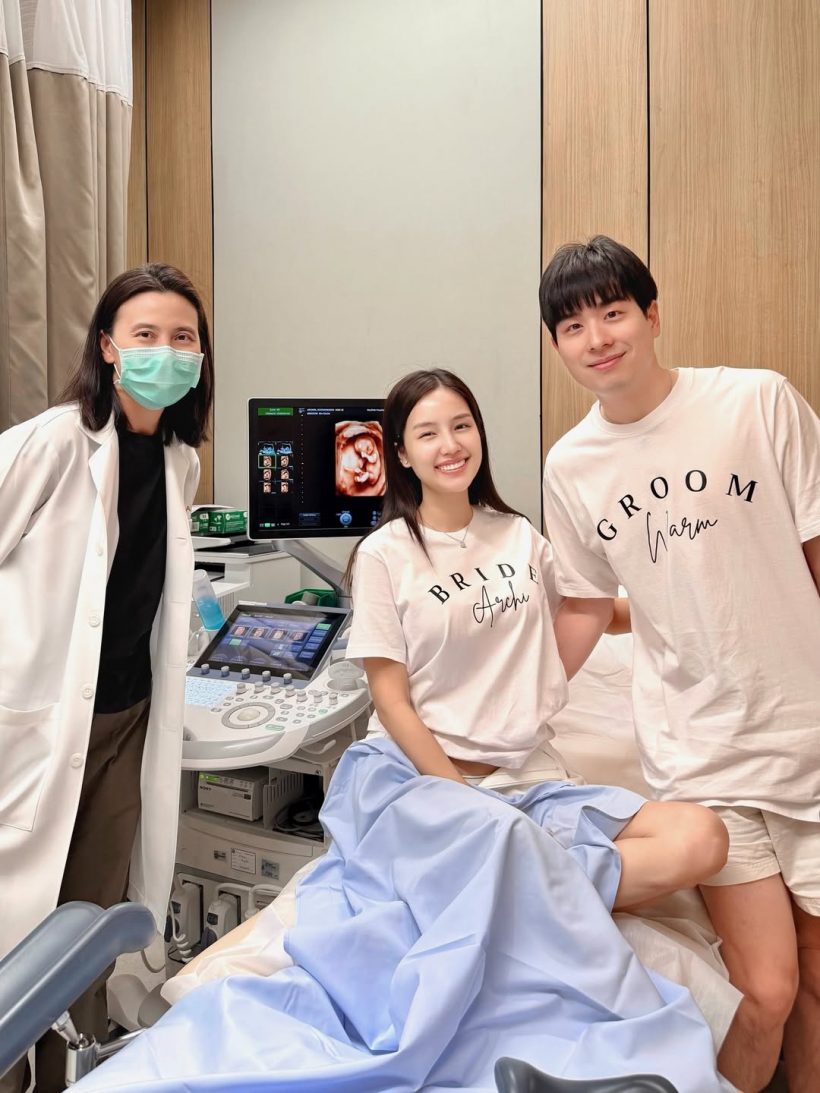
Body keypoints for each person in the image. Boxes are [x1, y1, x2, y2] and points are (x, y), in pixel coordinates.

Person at [538, 235, 820, 1093]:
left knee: (817, 973)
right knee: (766, 989)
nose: (597, 338)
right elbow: (587, 605)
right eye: (573, 326)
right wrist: (513, 704)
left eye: (613, 312)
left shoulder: (756, 402)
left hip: (806, 731)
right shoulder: (571, 465)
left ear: (652, 315)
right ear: (557, 345)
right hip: (700, 752)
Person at [344, 367, 727, 914]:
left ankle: (507, 891)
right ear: (401, 453)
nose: (450, 445)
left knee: (702, 838)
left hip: (526, 780)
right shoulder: (383, 555)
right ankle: (520, 884)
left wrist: (683, 601)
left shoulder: (517, 534)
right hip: (426, 782)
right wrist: (462, 801)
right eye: (428, 434)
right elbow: (391, 700)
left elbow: (589, 609)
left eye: (462, 426)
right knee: (489, 849)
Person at [0, 263, 214, 1093]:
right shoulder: (56, 443)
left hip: (127, 721)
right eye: (146, 334)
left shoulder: (178, 459)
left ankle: (70, 1075)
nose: (167, 350)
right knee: (17, 920)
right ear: (108, 347)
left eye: (183, 337)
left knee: (88, 917)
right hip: (37, 725)